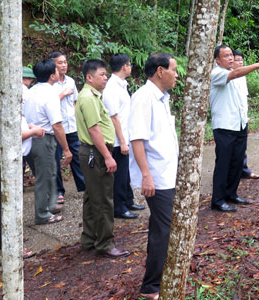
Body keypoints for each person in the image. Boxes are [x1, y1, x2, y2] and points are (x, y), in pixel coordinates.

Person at [129, 52, 178, 300]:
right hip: (157, 177)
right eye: (174, 70)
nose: (177, 75)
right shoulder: (143, 98)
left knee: (162, 228)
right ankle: (151, 287)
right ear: (160, 71)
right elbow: (137, 139)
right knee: (163, 230)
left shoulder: (162, 98)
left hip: (168, 173)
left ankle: (157, 278)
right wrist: (146, 176)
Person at [0, 71, 45, 257]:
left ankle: (11, 237)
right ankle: (11, 246)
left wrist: (30, 128)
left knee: (12, 201)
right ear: (1, 87)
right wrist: (33, 132)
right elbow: (11, 135)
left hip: (14, 158)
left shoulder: (7, 103)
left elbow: (18, 126)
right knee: (8, 203)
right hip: (4, 160)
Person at [210, 44, 259, 212]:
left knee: (237, 162)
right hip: (224, 126)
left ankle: (231, 194)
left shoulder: (239, 77)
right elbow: (235, 73)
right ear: (217, 60)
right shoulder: (217, 73)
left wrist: (244, 121)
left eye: (231, 55)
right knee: (223, 163)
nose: (230, 58)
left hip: (239, 125)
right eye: (226, 56)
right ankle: (217, 200)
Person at [75, 59, 130, 258]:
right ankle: (105, 243)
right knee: (104, 200)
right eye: (101, 75)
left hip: (93, 152)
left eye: (106, 74)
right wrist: (107, 156)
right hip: (96, 153)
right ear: (89, 77)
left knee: (92, 197)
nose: (105, 78)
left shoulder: (92, 96)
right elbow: (94, 129)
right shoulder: (89, 98)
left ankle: (89, 238)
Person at [24, 59, 72, 225]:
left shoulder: (31, 91)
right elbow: (57, 125)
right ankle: (43, 215)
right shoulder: (50, 94)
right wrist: (66, 149)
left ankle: (48, 205)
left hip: (29, 138)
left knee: (44, 175)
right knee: (44, 177)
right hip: (43, 139)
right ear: (53, 75)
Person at [102, 53, 144, 220]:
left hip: (125, 135)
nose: (131, 67)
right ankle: (118, 207)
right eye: (130, 64)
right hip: (118, 140)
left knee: (125, 173)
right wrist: (123, 141)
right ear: (124, 66)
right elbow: (114, 117)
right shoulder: (111, 88)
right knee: (119, 175)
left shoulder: (121, 85)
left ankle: (128, 200)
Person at [49, 52, 85, 204]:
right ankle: (58, 191)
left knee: (78, 157)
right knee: (56, 159)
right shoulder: (50, 84)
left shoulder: (70, 80)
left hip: (72, 126)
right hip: (58, 127)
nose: (64, 65)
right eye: (60, 63)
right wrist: (62, 94)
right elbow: (48, 104)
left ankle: (84, 187)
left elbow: (75, 101)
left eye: (65, 62)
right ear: (53, 65)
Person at [232, 50, 259, 180]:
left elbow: (244, 98)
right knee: (230, 148)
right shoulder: (228, 76)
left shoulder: (242, 77)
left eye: (241, 60)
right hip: (231, 119)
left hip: (242, 117)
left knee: (242, 146)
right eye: (237, 60)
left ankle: (243, 170)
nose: (240, 62)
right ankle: (231, 173)